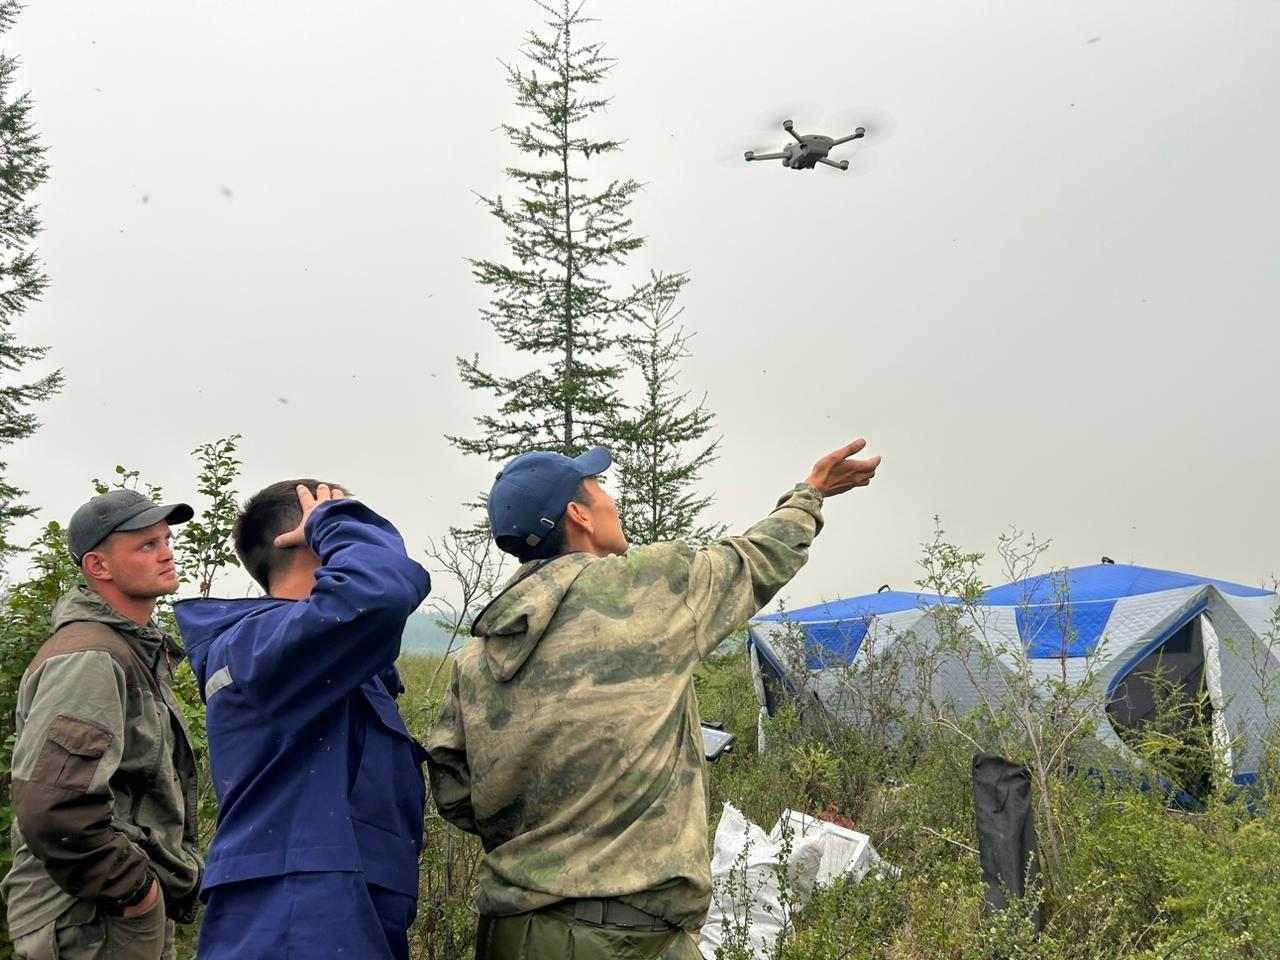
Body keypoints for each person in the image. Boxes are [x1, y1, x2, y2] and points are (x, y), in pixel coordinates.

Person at [426, 439, 881, 959]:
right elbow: (754, 560)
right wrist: (810, 494)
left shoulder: (475, 658)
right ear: (579, 516)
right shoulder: (646, 589)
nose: (608, 498)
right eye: (598, 487)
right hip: (625, 938)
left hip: (509, 934)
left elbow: (454, 789)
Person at [171, 482, 431, 960]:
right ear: (307, 539)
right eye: (335, 520)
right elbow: (385, 589)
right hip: (296, 916)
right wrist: (336, 523)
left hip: (338, 908)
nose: (354, 531)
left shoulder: (318, 657)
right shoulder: (257, 645)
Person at [3, 490, 204, 960]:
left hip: (106, 913)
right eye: (146, 545)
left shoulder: (127, 647)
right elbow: (53, 805)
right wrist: (136, 894)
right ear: (99, 567)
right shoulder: (91, 657)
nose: (167, 551)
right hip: (93, 918)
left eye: (166, 539)